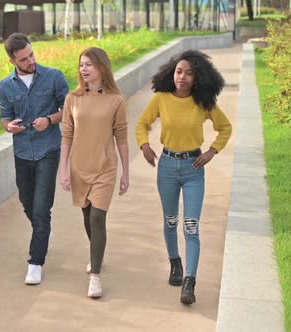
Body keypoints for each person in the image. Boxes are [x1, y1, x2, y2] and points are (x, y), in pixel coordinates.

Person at [135, 49, 232, 304]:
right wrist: (144, 145)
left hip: (193, 169)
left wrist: (212, 151)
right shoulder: (161, 99)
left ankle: (189, 281)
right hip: (167, 166)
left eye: (189, 73)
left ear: (197, 77)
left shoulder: (204, 103)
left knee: (190, 225)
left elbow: (225, 127)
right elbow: (141, 124)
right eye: (179, 71)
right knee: (170, 221)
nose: (182, 77)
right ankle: (175, 264)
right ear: (172, 73)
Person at [0, 33, 69, 285]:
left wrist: (49, 120)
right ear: (12, 61)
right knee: (28, 204)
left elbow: (68, 111)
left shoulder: (54, 77)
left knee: (41, 208)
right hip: (22, 152)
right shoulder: (5, 86)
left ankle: (36, 261)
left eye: (31, 55)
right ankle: (42, 229)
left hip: (48, 149)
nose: (31, 61)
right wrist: (10, 127)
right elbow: (5, 118)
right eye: (24, 59)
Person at [59, 47, 129, 299]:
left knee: (98, 218)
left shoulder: (116, 100)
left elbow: (121, 138)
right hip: (79, 167)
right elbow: (67, 135)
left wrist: (126, 173)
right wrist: (63, 170)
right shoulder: (72, 98)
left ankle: (95, 276)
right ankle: (96, 253)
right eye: (81, 64)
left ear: (101, 67)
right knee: (88, 218)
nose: (83, 69)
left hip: (105, 168)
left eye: (88, 64)